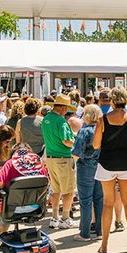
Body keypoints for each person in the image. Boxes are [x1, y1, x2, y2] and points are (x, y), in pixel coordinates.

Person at [93, 88, 127, 253]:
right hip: (126, 163)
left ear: (112, 101)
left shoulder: (103, 119)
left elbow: (96, 145)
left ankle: (104, 245)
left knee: (107, 204)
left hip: (107, 163)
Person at [42, 94, 77, 230]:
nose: (66, 111)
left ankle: (55, 217)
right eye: (66, 108)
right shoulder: (61, 121)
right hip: (63, 158)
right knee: (68, 190)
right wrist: (75, 140)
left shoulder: (46, 119)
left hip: (50, 158)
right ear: (62, 108)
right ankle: (65, 218)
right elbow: (66, 141)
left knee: (56, 189)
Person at [71, 104, 103, 242]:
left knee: (85, 201)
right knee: (99, 199)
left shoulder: (85, 131)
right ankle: (99, 230)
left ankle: (85, 233)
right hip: (101, 166)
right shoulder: (101, 129)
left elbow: (76, 153)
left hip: (86, 167)